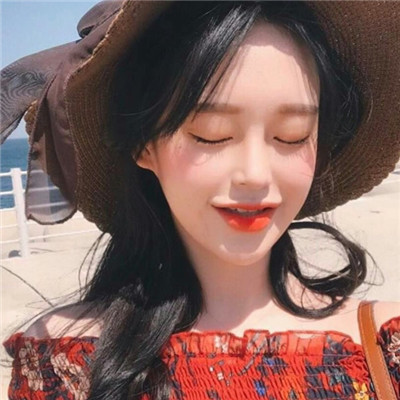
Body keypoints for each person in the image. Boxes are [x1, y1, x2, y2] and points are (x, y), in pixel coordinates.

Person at [1, 1, 400, 399]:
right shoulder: (61, 363)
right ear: (144, 144)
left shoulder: (384, 348)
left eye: (291, 135)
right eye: (212, 134)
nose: (255, 174)